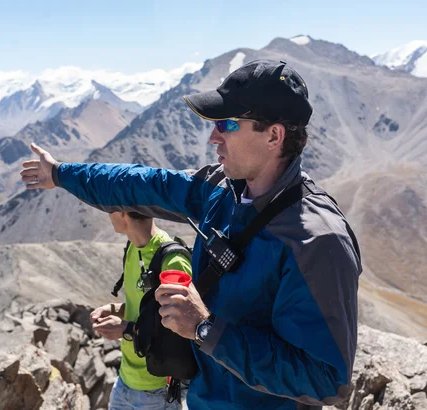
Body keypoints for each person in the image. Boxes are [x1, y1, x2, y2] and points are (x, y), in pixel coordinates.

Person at [20, 59, 362, 410]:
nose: (213, 137)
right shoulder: (221, 190)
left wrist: (205, 329)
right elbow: (140, 184)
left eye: (227, 124)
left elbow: (325, 379)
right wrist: (62, 175)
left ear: (274, 136)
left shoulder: (317, 242)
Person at [89, 211, 192, 409]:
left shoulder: (172, 260)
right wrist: (112, 309)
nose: (107, 213)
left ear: (122, 212)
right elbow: (144, 310)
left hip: (156, 390)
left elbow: (181, 329)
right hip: (125, 381)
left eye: (109, 207)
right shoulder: (132, 247)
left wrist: (126, 329)